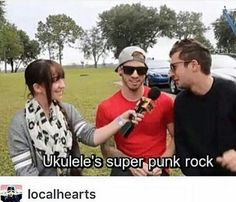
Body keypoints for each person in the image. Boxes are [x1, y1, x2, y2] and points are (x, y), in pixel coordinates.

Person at [8, 59, 142, 176]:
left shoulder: (67, 110)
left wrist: (122, 119)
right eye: (55, 80)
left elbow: (91, 136)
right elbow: (26, 172)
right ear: (37, 87)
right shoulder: (19, 124)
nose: (62, 85)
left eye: (62, 78)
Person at [96, 46, 174, 176]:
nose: (135, 75)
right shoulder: (106, 107)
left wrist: (162, 162)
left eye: (141, 70)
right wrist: (130, 163)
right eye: (129, 70)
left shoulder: (164, 101)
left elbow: (176, 136)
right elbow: (107, 149)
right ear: (120, 70)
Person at [169, 38, 236, 176]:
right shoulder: (181, 103)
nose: (170, 73)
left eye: (174, 67)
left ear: (194, 65)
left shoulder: (231, 93)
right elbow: (182, 147)